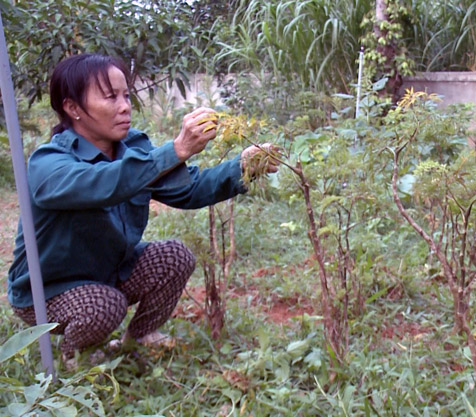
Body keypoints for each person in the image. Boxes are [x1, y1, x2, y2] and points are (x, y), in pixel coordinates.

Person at [5, 53, 279, 366]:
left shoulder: (134, 149)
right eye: (110, 97)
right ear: (72, 108)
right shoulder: (48, 163)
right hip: (48, 290)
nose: (124, 106)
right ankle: (76, 355)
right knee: (104, 306)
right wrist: (175, 151)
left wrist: (243, 167)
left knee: (174, 257)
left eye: (126, 95)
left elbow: (188, 188)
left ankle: (136, 340)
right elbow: (104, 183)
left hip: (107, 272)